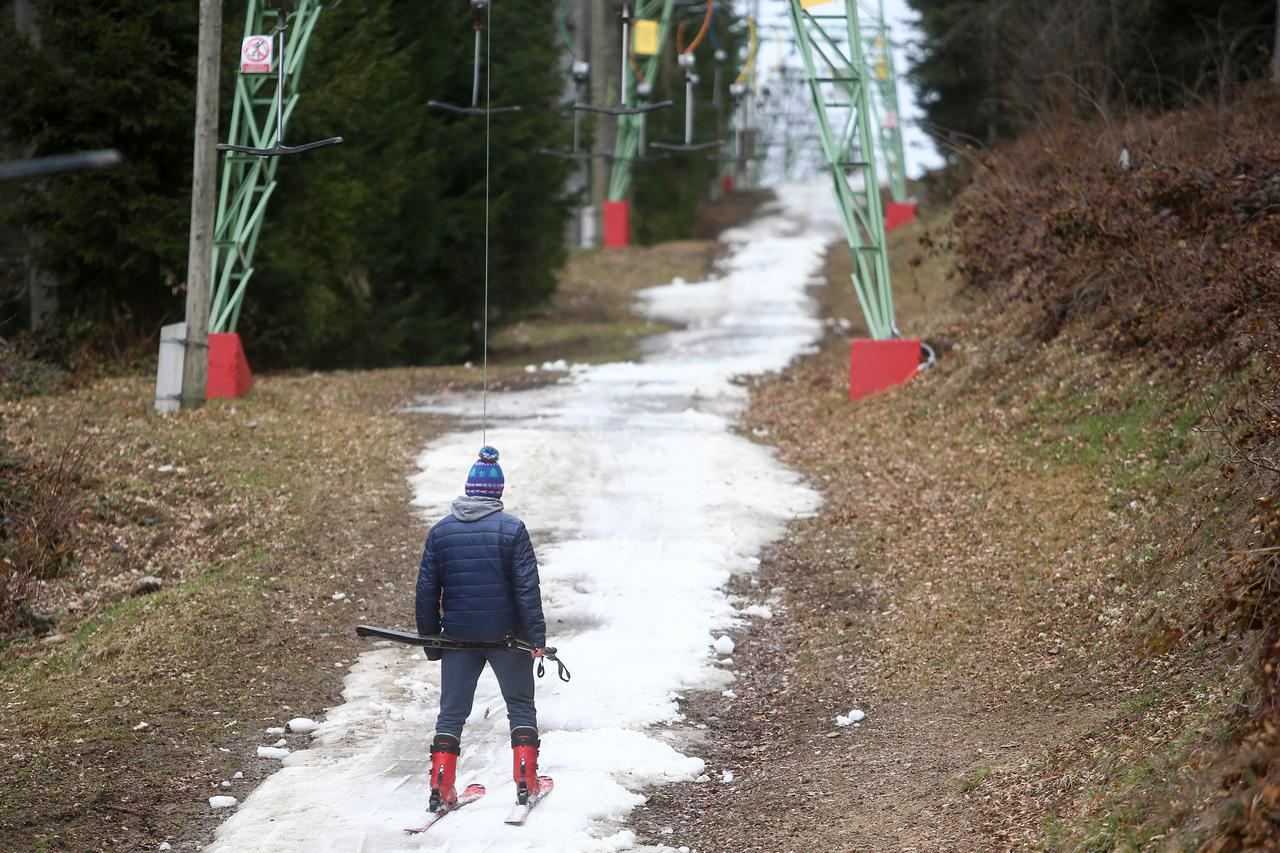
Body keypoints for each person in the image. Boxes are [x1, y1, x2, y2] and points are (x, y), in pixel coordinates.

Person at [415, 446, 548, 811]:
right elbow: (526, 588)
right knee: (520, 705)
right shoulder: (513, 529)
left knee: (451, 713)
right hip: (508, 638)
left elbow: (427, 591)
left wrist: (432, 641)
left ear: (468, 489)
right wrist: (535, 638)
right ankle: (527, 781)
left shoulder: (441, 532)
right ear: (498, 492)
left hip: (457, 638)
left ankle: (441, 787)